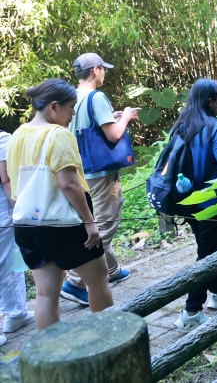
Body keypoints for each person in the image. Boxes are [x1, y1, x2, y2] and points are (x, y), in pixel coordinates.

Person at [8, 79, 114, 329]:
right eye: (71, 107)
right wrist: (90, 222)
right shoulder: (58, 135)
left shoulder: (17, 135)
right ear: (53, 107)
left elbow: (13, 185)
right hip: (64, 223)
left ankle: (53, 354)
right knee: (98, 281)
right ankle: (109, 341)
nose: (73, 114)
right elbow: (69, 184)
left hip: (27, 224)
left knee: (46, 294)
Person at [61, 53, 136, 306]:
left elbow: (87, 129)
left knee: (95, 221)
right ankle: (74, 281)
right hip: (100, 174)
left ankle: (112, 270)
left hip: (80, 170)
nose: (105, 73)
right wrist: (124, 117)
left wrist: (111, 117)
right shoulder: (97, 96)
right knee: (104, 225)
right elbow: (114, 136)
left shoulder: (71, 96)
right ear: (95, 70)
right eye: (103, 69)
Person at [170, 79, 217, 330]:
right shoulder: (215, 127)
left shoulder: (181, 124)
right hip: (213, 201)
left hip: (187, 199)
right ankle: (191, 310)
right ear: (210, 101)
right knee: (209, 253)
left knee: (209, 246)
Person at [0, 131, 30, 343]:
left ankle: (17, 311)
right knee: (8, 262)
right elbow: (6, 179)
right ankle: (15, 313)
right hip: (2, 213)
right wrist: (19, 212)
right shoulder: (3, 139)